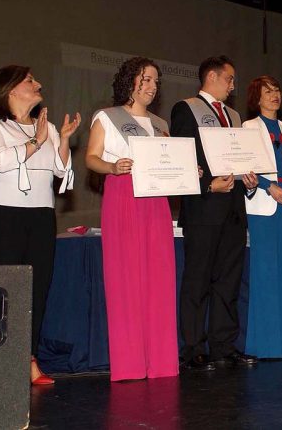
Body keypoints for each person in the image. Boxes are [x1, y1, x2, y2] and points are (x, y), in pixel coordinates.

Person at [0, 65, 80, 384]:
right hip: (1, 215)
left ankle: (29, 360)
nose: (39, 84)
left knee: (37, 290)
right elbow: (3, 161)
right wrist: (38, 140)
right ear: (10, 89)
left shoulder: (40, 126)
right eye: (30, 81)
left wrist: (61, 140)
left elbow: (60, 171)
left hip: (40, 215)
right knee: (4, 289)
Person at [85, 57, 179, 381]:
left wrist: (186, 174)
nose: (152, 87)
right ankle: (130, 364)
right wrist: (112, 167)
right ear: (130, 81)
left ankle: (162, 363)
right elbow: (91, 157)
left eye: (155, 81)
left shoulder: (160, 124)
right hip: (123, 196)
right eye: (146, 80)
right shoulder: (107, 118)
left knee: (159, 278)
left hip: (156, 202)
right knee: (126, 278)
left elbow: (169, 165)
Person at [169, 55, 258, 370]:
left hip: (234, 211)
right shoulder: (186, 108)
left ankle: (223, 345)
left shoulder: (234, 116)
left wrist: (249, 177)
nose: (233, 86)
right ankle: (194, 348)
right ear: (211, 76)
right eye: (230, 79)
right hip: (204, 208)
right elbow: (180, 158)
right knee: (198, 280)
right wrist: (208, 184)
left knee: (228, 282)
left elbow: (241, 158)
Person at [242, 75, 282, 358]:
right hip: (263, 208)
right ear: (257, 98)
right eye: (268, 91)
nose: (274, 95)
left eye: (277, 90)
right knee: (266, 274)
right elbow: (245, 167)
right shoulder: (248, 127)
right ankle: (266, 346)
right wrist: (269, 187)